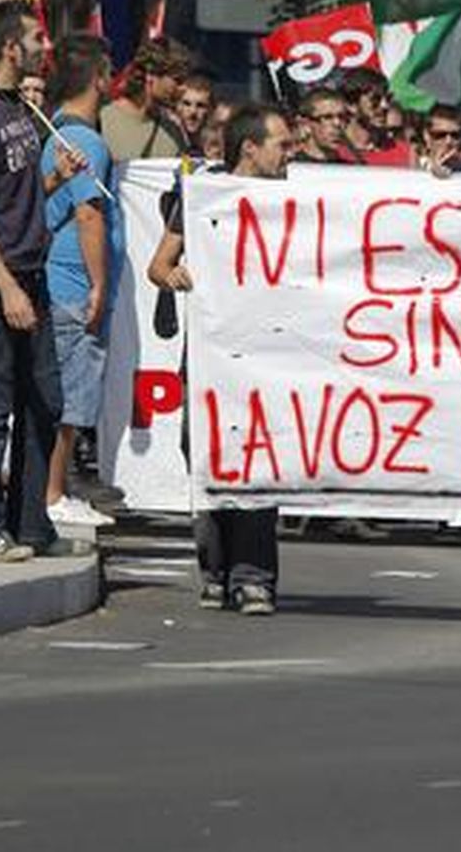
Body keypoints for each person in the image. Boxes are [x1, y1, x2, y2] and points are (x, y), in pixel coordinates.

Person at [0, 0, 91, 561]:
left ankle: (31, 524)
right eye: (36, 37)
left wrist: (55, 178)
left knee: (44, 401)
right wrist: (6, 287)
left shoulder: (21, 111)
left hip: (29, 275)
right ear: (11, 47)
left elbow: (18, 199)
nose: (43, 46)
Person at [148, 104, 295, 613]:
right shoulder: (201, 194)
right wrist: (176, 276)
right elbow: (158, 265)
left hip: (267, 356)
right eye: (281, 143)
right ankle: (216, 569)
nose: (288, 153)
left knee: (258, 460)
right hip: (211, 357)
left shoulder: (289, 200)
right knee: (208, 458)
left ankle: (254, 577)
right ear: (249, 148)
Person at [40, 34, 123, 528]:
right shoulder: (86, 141)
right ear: (98, 78)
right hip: (74, 287)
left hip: (62, 284)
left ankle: (55, 487)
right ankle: (53, 495)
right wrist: (97, 285)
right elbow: (88, 215)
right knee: (71, 400)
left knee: (66, 396)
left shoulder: (58, 136)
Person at [100, 37, 190, 162]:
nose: (184, 88)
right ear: (151, 75)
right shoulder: (103, 120)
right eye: (177, 80)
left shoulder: (174, 132)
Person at [174, 73, 214, 150]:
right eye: (187, 104)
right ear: (177, 106)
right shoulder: (165, 140)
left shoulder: (216, 149)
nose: (193, 111)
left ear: (210, 109)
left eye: (200, 106)